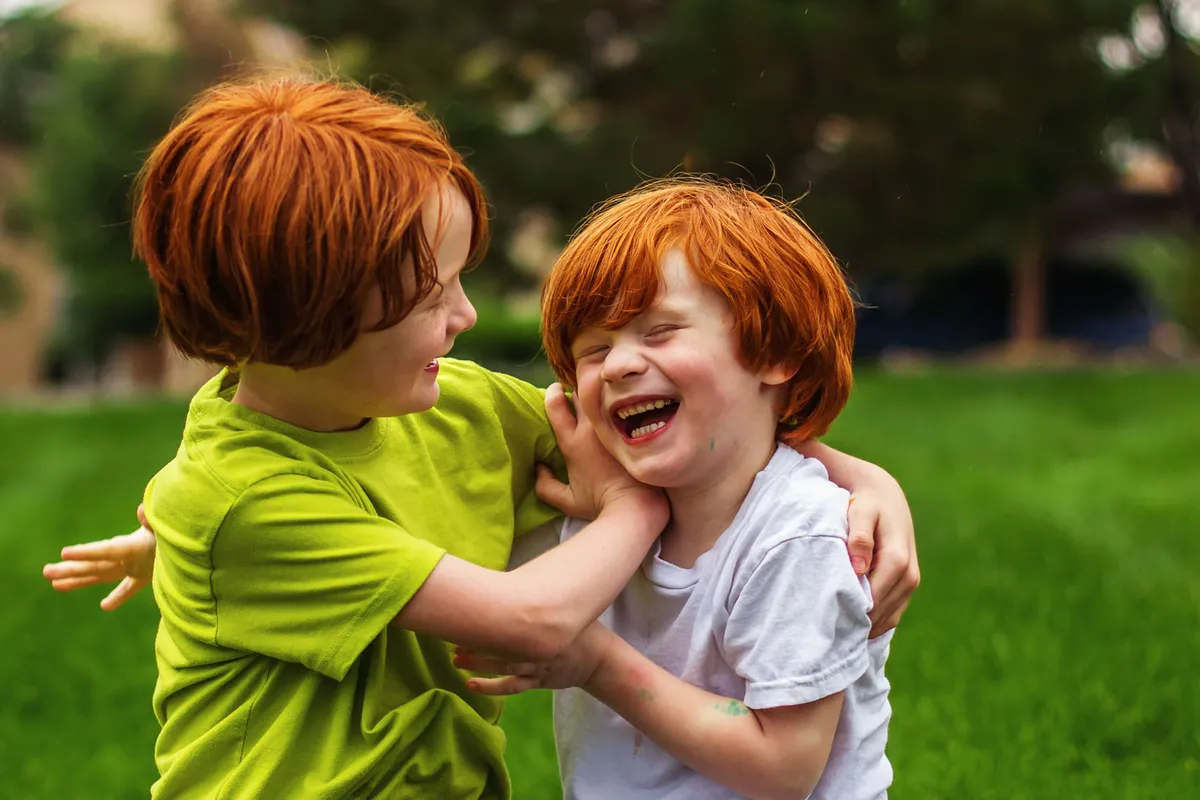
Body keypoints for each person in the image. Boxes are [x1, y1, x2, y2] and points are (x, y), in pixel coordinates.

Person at [43, 75, 919, 799]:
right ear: (314, 318)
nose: (464, 317)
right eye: (432, 298)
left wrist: (865, 483)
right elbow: (535, 619)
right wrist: (628, 510)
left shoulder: (451, 403)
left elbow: (689, 429)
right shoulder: (242, 502)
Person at [456, 178, 896, 799]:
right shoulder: (600, 519)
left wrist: (595, 663)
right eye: (594, 349)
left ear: (774, 352)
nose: (618, 365)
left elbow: (784, 767)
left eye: (659, 332)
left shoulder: (796, 533)